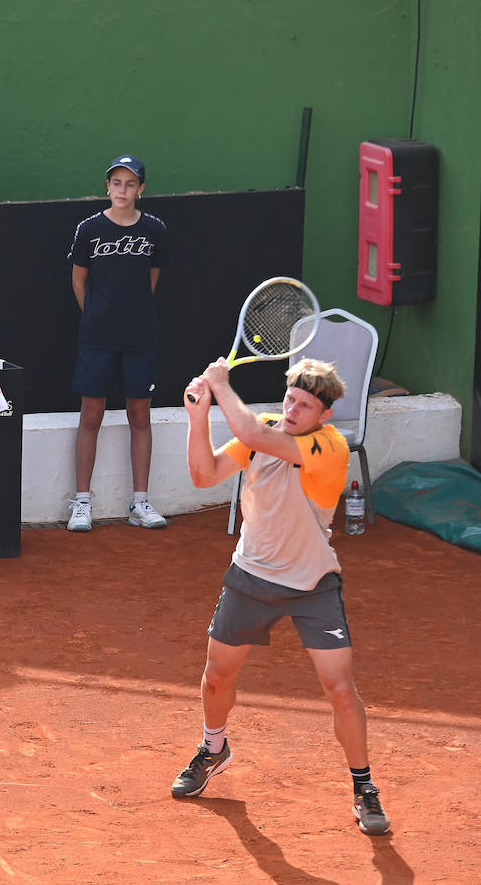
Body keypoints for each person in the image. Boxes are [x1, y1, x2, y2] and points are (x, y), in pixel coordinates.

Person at [174, 357, 390, 836]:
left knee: (340, 689)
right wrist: (197, 418)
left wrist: (221, 386)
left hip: (312, 585)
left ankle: (364, 786)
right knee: (216, 678)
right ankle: (214, 748)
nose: (292, 409)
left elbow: (251, 433)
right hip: (250, 576)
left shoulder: (329, 447)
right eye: (290, 398)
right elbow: (204, 475)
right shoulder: (266, 429)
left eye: (305, 405)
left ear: (324, 416)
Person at [65, 155, 167, 531]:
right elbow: (79, 282)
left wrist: (132, 314)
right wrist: (97, 315)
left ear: (141, 189)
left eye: (130, 184)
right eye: (116, 183)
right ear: (107, 186)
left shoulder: (155, 230)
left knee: (140, 417)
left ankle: (140, 503)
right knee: (90, 416)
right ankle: (82, 503)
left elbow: (151, 279)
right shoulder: (89, 229)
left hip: (141, 338)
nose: (123, 190)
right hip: (97, 339)